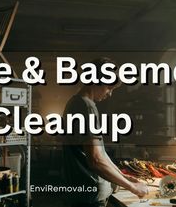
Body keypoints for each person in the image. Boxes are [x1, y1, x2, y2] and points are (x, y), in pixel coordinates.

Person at [62, 57, 148, 207]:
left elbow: (101, 154)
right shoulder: (86, 107)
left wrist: (124, 177)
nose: (109, 94)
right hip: (89, 197)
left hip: (82, 193)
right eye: (109, 88)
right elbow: (95, 160)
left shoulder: (75, 102)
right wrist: (133, 187)